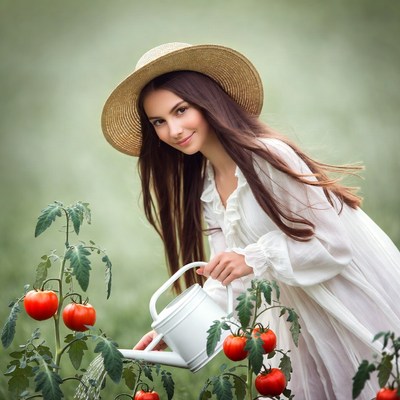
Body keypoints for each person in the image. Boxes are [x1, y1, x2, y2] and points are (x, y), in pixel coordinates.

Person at [101, 42, 400, 399]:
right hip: (293, 321)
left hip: (343, 302)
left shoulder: (269, 158)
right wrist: (176, 328)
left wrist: (255, 258)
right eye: (159, 122)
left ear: (207, 102)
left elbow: (333, 245)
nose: (174, 129)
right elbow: (229, 280)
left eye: (181, 110)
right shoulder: (209, 186)